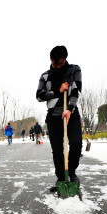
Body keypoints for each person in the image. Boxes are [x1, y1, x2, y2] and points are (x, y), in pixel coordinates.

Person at [36, 45, 82, 191]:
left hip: (71, 115)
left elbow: (75, 91)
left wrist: (69, 109)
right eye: (55, 63)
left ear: (65, 59)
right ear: (51, 60)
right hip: (53, 117)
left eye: (60, 64)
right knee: (57, 150)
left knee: (76, 144)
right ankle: (61, 179)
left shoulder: (74, 70)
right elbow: (39, 96)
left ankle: (72, 172)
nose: (57, 67)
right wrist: (57, 91)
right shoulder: (45, 75)